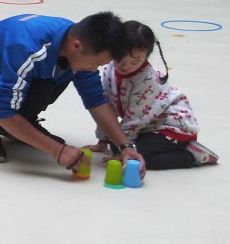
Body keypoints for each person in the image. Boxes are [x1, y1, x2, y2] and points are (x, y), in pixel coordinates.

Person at [0, 11, 142, 173]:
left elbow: (95, 99)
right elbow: (4, 112)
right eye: (96, 63)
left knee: (60, 73)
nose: (94, 69)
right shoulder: (30, 48)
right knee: (40, 85)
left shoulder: (77, 42)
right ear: (76, 45)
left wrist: (125, 146)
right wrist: (57, 151)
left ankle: (21, 126)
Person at [85, 21, 218, 169]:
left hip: (172, 128)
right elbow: (106, 107)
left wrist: (124, 149)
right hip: (147, 126)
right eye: (119, 58)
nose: (125, 66)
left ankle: (192, 156)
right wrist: (103, 140)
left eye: (134, 62)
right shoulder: (109, 70)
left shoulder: (147, 80)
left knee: (134, 157)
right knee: (117, 146)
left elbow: (136, 119)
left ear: (147, 56)